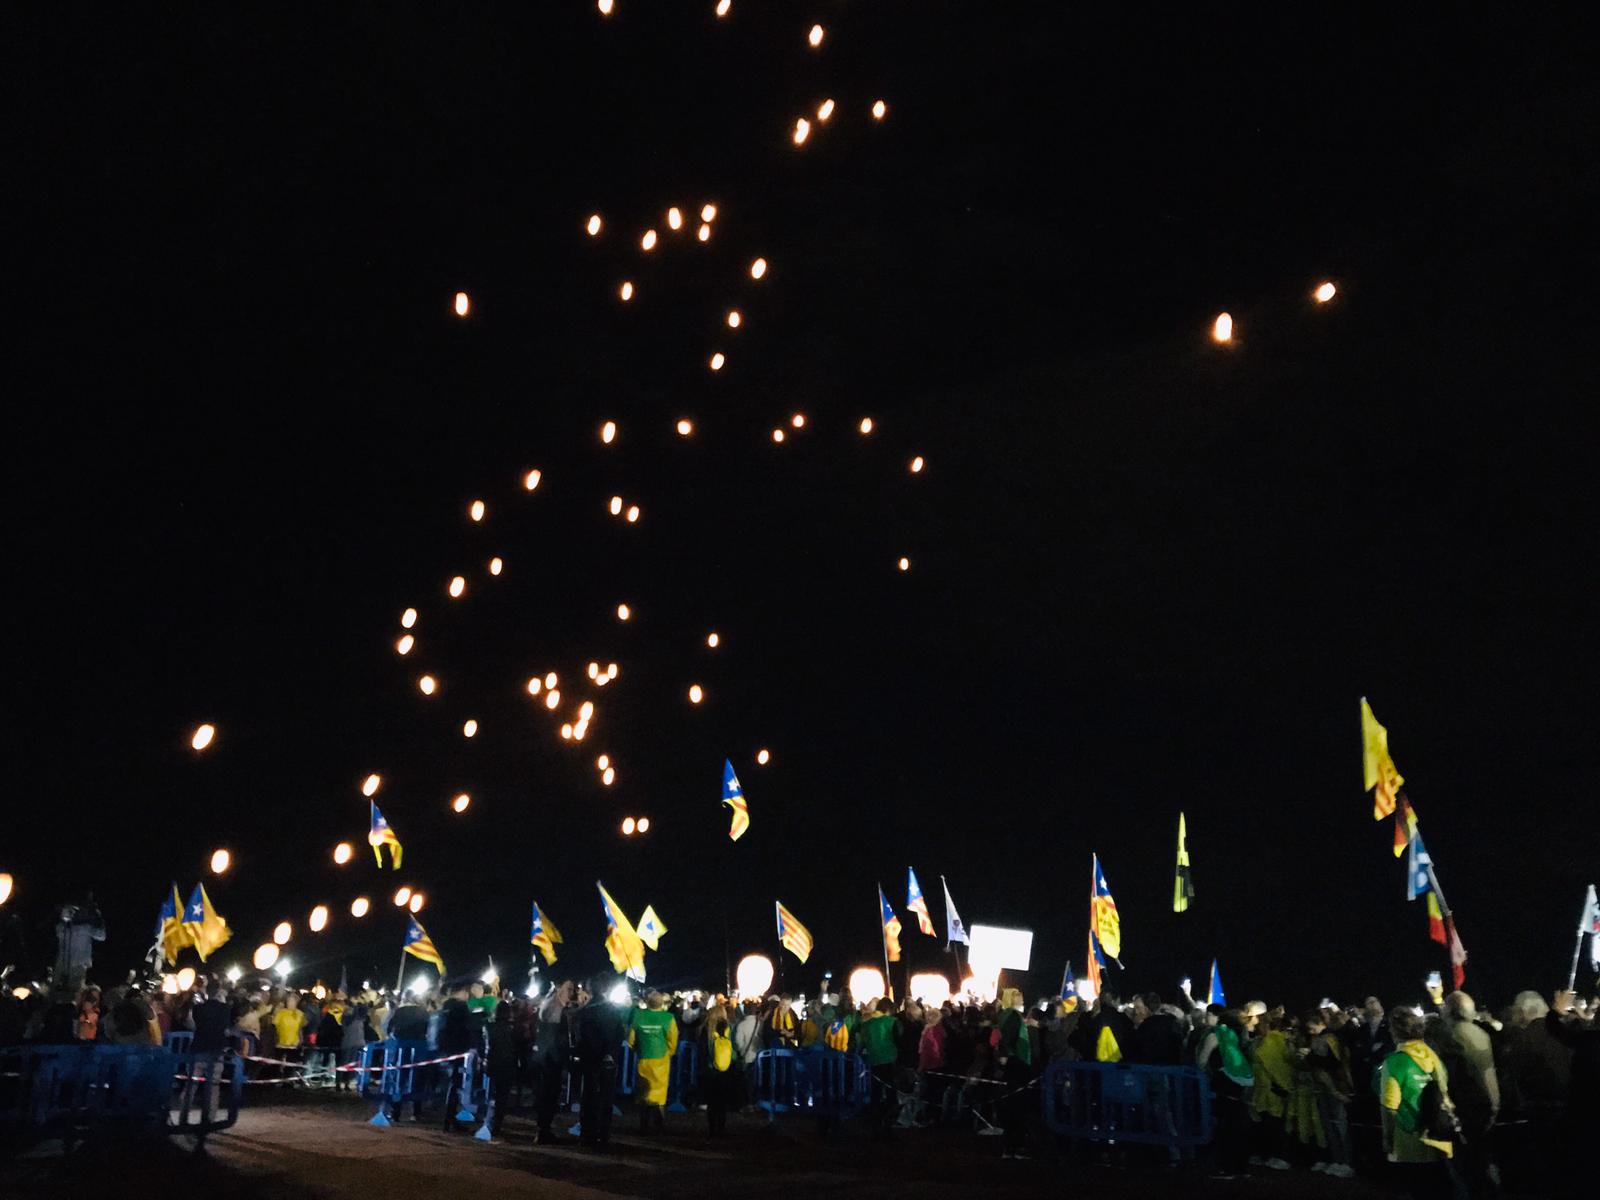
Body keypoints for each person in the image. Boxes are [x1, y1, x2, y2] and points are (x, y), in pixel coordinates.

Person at [1379, 1006, 1455, 1200]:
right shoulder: (1433, 1055)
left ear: (1395, 1031)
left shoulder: (1395, 1062)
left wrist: (1387, 1139)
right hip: (1438, 1137)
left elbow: (1389, 1107)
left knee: (1416, 1190)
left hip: (1409, 1142)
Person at [1431, 991, 1499, 1198]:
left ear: (1450, 1011)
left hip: (1462, 1111)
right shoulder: (1481, 1033)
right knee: (1482, 1163)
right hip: (1484, 1107)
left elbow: (1441, 1078)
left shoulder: (1447, 1036)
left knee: (1463, 1170)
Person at [1197, 1007, 1253, 1179]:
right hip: (1240, 1082)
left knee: (1225, 1126)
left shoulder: (1215, 1035)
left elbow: (1202, 1060)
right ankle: (1241, 1167)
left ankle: (1226, 1167)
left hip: (1223, 1082)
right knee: (1239, 1124)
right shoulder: (1237, 1035)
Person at [574, 976, 627, 1151]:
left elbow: (582, 1037)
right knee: (606, 1097)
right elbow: (619, 1033)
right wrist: (610, 1053)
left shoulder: (585, 1011)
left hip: (591, 1060)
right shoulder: (613, 1010)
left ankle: (587, 1134)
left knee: (589, 1096)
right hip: (607, 1061)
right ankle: (603, 1134)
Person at [1303, 1006, 1355, 1178]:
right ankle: (1336, 1160)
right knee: (1328, 1126)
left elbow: (1334, 1063)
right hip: (1321, 1087)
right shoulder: (1318, 1038)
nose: (1308, 1028)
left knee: (1338, 1124)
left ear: (1317, 1022)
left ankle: (1346, 1162)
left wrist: (1309, 1056)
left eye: (1310, 1024)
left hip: (1334, 1087)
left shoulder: (1331, 1038)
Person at [1249, 1011, 1294, 1169]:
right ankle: (1268, 1154)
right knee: (1266, 1123)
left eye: (1258, 1024)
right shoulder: (1260, 1041)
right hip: (1262, 1089)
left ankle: (1281, 1156)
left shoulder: (1274, 1040)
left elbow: (1277, 1066)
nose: (1255, 1027)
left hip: (1274, 1088)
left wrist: (1282, 1086)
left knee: (1277, 1124)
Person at [630, 991, 679, 1133]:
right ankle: (659, 1125)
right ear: (662, 1003)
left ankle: (643, 1125)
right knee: (659, 1095)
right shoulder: (668, 1018)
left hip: (644, 1060)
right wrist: (669, 1053)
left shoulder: (638, 1016)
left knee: (644, 1093)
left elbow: (631, 1039)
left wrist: (638, 1050)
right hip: (661, 1061)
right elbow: (673, 1040)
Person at [534, 980, 576, 1144]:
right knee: (548, 1095)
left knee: (549, 1095)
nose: (571, 993)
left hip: (549, 1058)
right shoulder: (554, 1007)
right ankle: (543, 1131)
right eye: (568, 989)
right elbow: (553, 1038)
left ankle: (544, 1129)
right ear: (559, 988)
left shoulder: (553, 1004)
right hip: (550, 1060)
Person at [995, 987, 1033, 1159]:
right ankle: (1014, 1147)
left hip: (1012, 1063)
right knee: (1018, 1107)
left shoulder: (1005, 1015)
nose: (1022, 999)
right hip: (1018, 1064)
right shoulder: (1012, 1016)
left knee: (1013, 1106)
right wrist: (1008, 1055)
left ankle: (1010, 1146)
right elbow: (1008, 1040)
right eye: (1019, 996)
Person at [436, 980, 475, 1131]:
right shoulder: (460, 1007)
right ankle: (449, 1119)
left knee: (447, 1084)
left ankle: (447, 1118)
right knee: (455, 1085)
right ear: (463, 992)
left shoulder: (445, 1006)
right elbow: (466, 1027)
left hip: (444, 1049)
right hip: (457, 1049)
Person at [860, 997, 901, 1139]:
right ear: (889, 1009)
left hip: (874, 1061)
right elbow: (899, 1040)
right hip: (890, 1061)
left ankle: (875, 1125)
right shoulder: (892, 1022)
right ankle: (888, 1125)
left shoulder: (866, 1024)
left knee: (876, 1095)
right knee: (891, 1095)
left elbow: (862, 1043)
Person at [485, 1001, 518, 1139]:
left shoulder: (490, 1026)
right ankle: (496, 1125)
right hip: (506, 1064)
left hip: (493, 1063)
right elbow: (515, 1047)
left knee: (492, 1094)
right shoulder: (511, 1028)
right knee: (502, 1097)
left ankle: (489, 1123)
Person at [704, 1008, 736, 1136]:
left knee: (711, 1103)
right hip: (725, 1070)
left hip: (710, 1070)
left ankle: (712, 1129)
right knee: (722, 1102)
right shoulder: (729, 1028)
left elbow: (703, 1051)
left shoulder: (706, 1030)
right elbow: (734, 1048)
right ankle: (721, 1129)